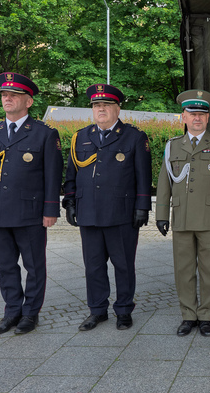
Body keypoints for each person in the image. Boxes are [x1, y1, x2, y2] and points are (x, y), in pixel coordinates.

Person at [0, 72, 63, 336]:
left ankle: (30, 313)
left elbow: (52, 176)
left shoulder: (44, 134)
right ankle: (12, 311)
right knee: (6, 266)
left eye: (13, 95)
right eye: (3, 94)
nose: (7, 98)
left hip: (30, 212)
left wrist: (50, 210)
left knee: (34, 265)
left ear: (29, 101)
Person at [62, 84, 152, 331]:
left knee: (123, 265)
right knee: (93, 265)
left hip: (121, 214)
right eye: (96, 105)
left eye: (106, 105)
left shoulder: (134, 137)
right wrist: (70, 202)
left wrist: (142, 207)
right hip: (88, 212)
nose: (100, 109)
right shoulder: (80, 136)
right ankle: (97, 310)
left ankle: (123, 310)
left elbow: (143, 176)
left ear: (117, 108)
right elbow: (72, 174)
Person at [156, 89, 210, 337]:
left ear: (208, 118)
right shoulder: (172, 146)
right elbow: (164, 183)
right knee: (183, 270)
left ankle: (206, 316)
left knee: (209, 270)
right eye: (192, 114)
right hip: (181, 218)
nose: (197, 118)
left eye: (202, 114)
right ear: (183, 117)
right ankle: (188, 315)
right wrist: (161, 215)